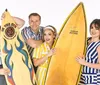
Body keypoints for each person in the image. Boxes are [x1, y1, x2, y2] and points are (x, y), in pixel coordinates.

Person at [0, 13, 25, 85]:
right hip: (1, 71)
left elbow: (21, 23)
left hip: (13, 66)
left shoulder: (5, 33)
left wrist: (8, 17)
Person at [76, 19, 100, 85]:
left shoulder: (98, 45)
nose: (93, 30)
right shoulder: (86, 41)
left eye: (97, 28)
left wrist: (84, 63)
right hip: (83, 77)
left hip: (94, 78)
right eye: (92, 27)